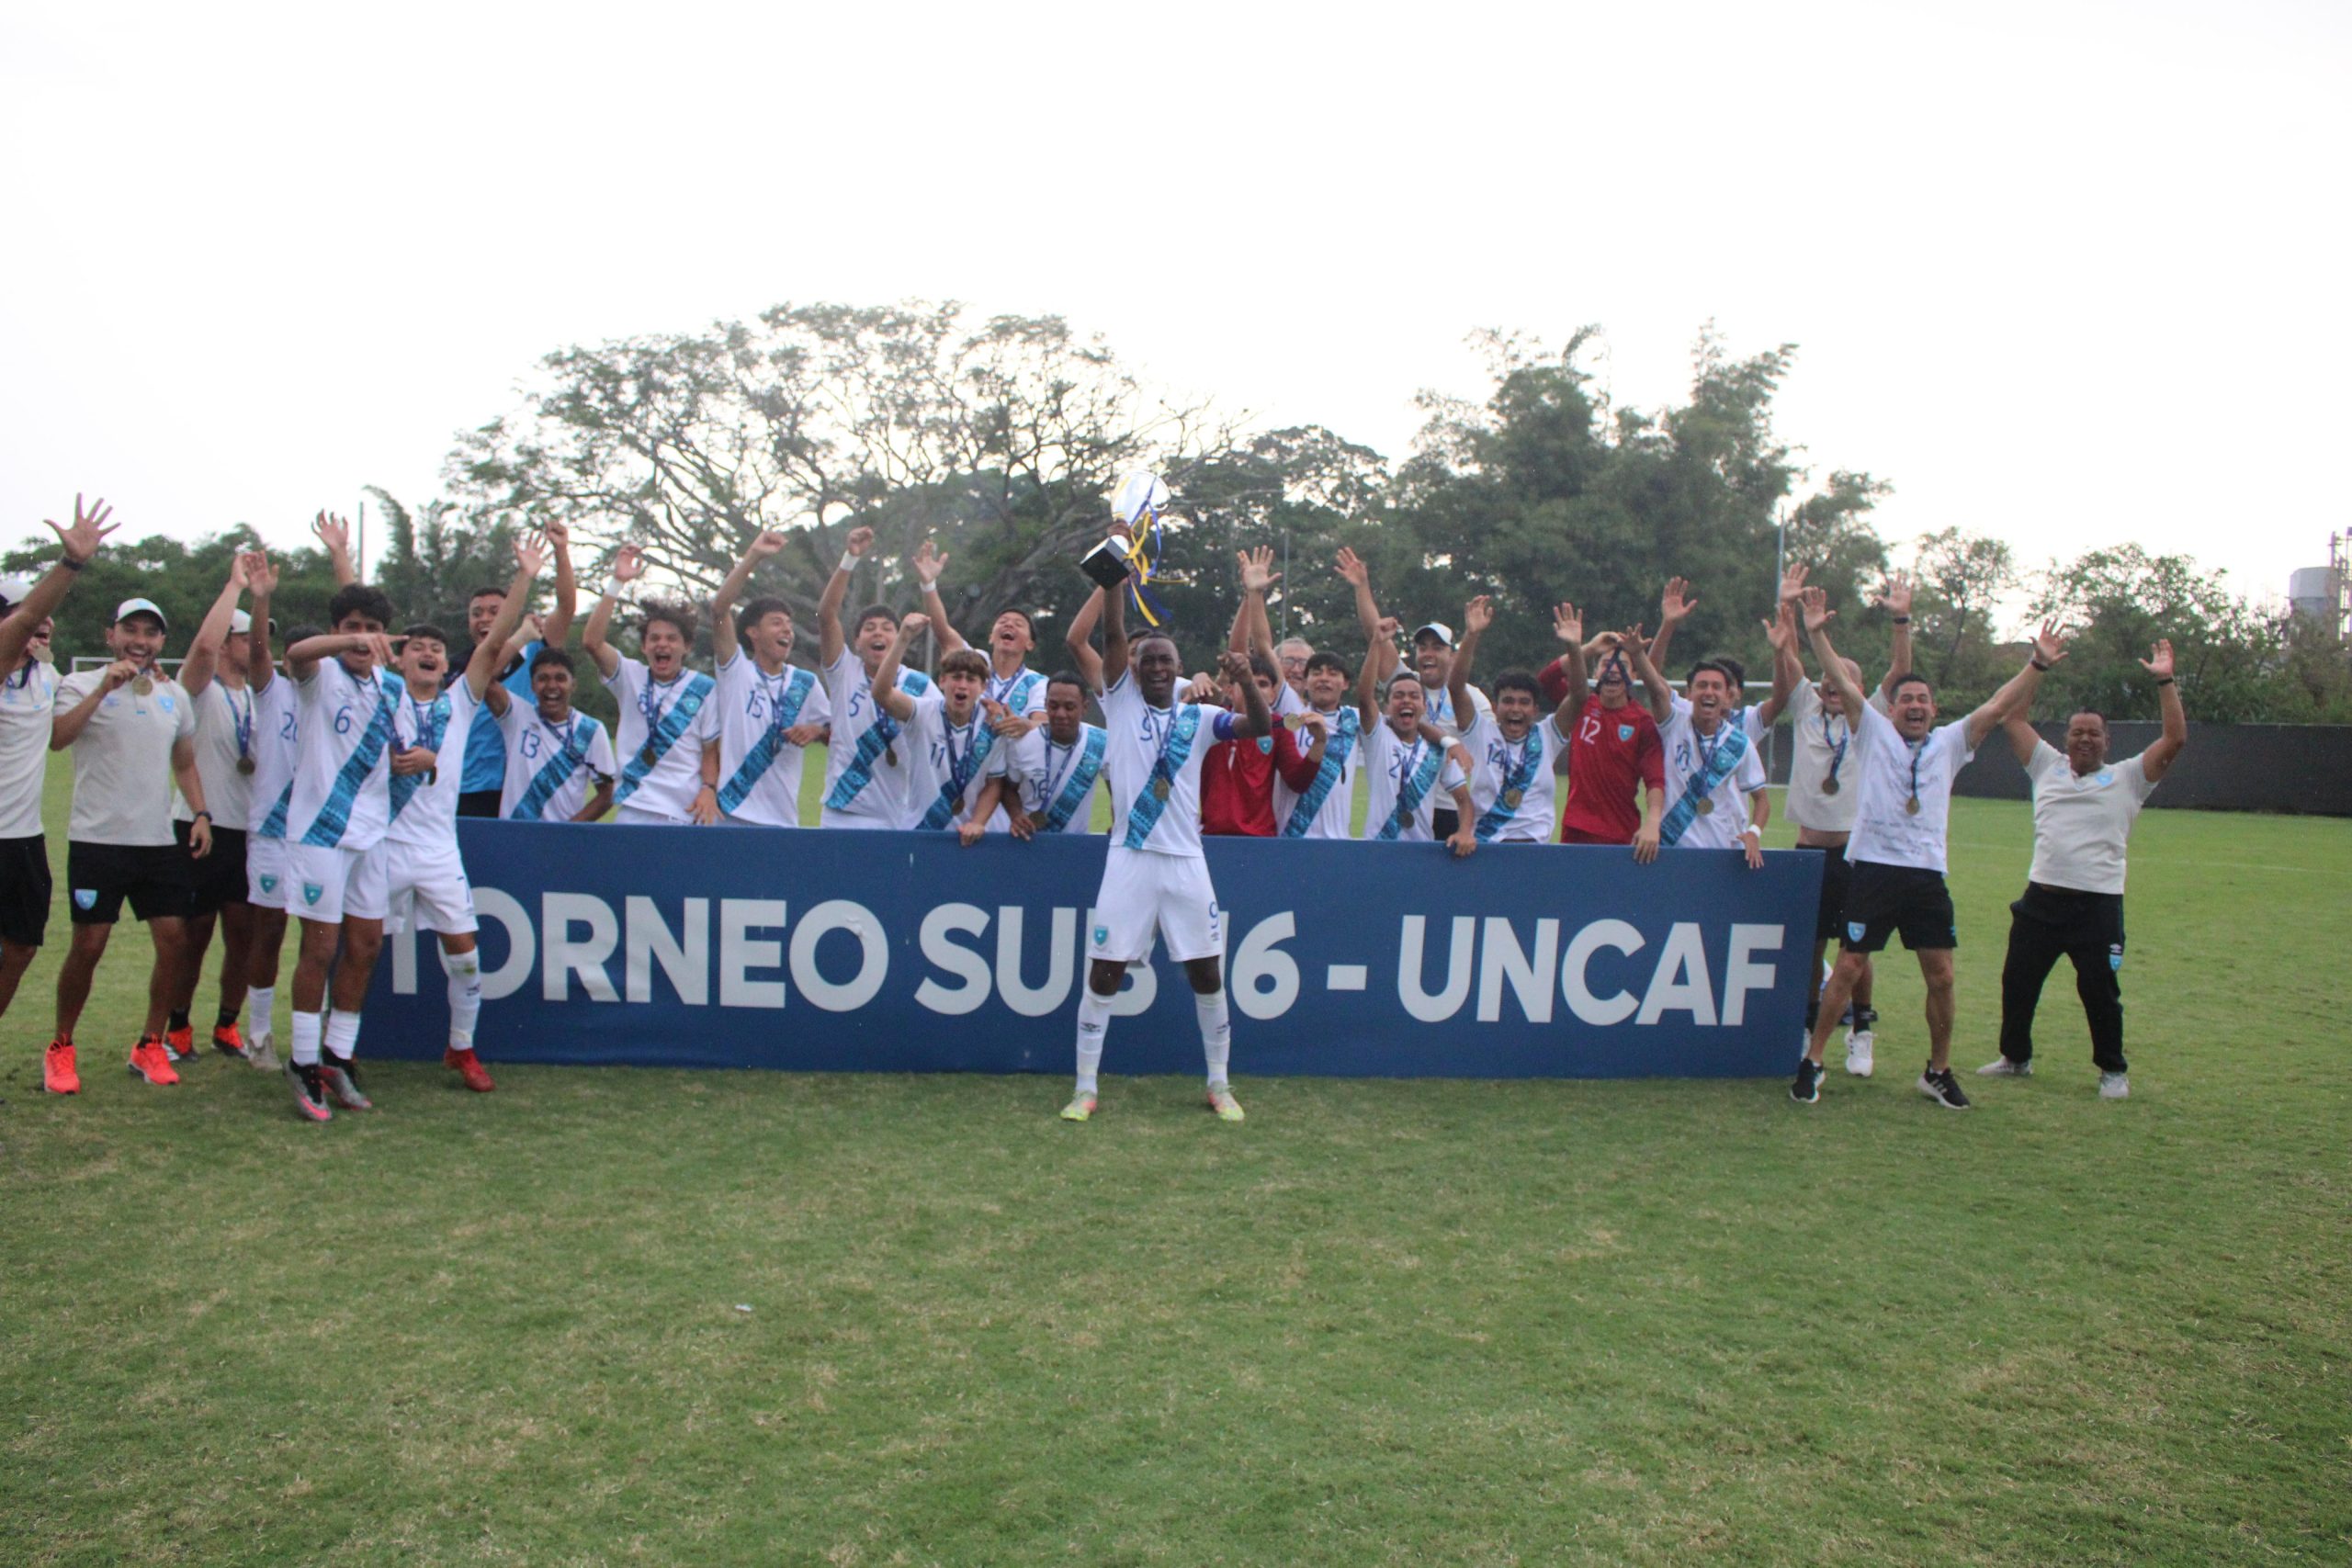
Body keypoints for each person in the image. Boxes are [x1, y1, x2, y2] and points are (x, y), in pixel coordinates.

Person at [1792, 588, 2068, 1109]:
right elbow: (1846, 686)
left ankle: (1937, 1071)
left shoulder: (1950, 742)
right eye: (1906, 700)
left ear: (1933, 710)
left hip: (1924, 874)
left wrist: (2036, 664)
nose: (1914, 707)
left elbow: (1999, 704)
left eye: (1923, 701)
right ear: (1892, 708)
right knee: (1849, 967)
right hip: (1873, 867)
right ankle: (1814, 1061)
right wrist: (1815, 633)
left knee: (1940, 975)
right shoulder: (1871, 731)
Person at [1061, 574, 1272, 1124]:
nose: (1156, 667)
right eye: (1147, 659)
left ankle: (1220, 1084)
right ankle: (1085, 1088)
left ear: (1179, 668)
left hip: (1185, 862)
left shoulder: (1199, 718)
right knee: (1104, 974)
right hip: (1129, 858)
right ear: (1133, 668)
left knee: (1206, 974)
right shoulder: (1121, 703)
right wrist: (1113, 578)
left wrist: (1247, 678)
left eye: (1165, 660)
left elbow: (1261, 725)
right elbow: (1108, 637)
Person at [1975, 640, 2186, 1099]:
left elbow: (2174, 740)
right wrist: (2038, 666)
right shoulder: (2047, 767)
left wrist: (2165, 681)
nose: (2085, 739)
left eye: (2094, 733)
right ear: (2066, 739)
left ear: (2107, 741)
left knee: (2099, 992)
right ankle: (2016, 1058)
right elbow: (2012, 717)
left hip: (2097, 907)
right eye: (2077, 732)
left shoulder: (2129, 778)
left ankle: (2112, 1071)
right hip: (2041, 901)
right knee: (2018, 982)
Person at [381, 536, 550, 1093]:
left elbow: (496, 642)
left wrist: (523, 577)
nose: (428, 652)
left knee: (467, 956)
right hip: (380, 846)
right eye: (417, 646)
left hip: (436, 850)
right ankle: (334, 1051)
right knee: (352, 949)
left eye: (436, 646)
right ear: (399, 658)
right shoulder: (381, 698)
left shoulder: (460, 699)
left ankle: (462, 1048)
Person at [46, 592, 212, 1093]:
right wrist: (101, 689)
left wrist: (200, 812)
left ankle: (149, 1044)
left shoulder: (173, 694)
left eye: (151, 633)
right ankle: (60, 1047)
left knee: (174, 941)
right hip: (97, 839)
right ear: (111, 635)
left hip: (157, 840)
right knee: (90, 944)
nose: (140, 641)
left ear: (162, 640)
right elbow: (58, 739)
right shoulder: (77, 684)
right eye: (131, 631)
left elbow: (183, 762)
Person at [278, 582, 418, 1121]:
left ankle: (337, 1057)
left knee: (365, 947)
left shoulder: (392, 687)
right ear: (336, 630)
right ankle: (302, 1062)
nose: (364, 636)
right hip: (318, 832)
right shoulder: (320, 674)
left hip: (371, 834)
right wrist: (339, 644)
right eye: (352, 626)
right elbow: (296, 654)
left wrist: (419, 759)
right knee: (319, 949)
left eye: (374, 628)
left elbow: (402, 753)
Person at [1777, 570, 1915, 1075]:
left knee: (1855, 947)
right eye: (1828, 682)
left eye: (1843, 682)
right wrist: (1788, 606)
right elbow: (1787, 654)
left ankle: (1861, 1027)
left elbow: (1901, 667)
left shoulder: (1869, 719)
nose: (1832, 687)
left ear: (1857, 690)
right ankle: (1811, 1024)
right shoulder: (1806, 707)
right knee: (1811, 945)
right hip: (1807, 851)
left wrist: (1901, 618)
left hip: (1854, 854)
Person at [0, 496, 117, 1040]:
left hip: (24, 839)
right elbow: (24, 618)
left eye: (47, 615)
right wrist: (71, 564)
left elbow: (55, 741)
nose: (42, 619)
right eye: (27, 613)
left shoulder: (44, 678)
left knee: (22, 946)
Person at [160, 558, 263, 1063]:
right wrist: (235, 586)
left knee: (242, 937)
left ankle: (227, 1024)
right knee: (193, 937)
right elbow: (201, 645)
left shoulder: (262, 696)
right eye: (247, 638)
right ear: (227, 642)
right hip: (200, 826)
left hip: (248, 833)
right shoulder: (198, 689)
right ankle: (177, 1026)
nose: (257, 646)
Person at [584, 545, 721, 826]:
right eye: (655, 638)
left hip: (685, 813)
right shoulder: (630, 677)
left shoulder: (704, 688)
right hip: (635, 810)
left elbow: (710, 751)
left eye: (672, 638)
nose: (663, 644)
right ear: (644, 646)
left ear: (687, 646)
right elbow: (592, 642)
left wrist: (709, 789)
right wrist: (617, 582)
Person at [708, 530, 831, 828]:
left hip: (783, 820)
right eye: (776, 623)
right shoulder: (736, 671)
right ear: (752, 632)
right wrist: (754, 556)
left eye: (789, 625)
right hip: (732, 813)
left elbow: (836, 734)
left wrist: (816, 730)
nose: (787, 630)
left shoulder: (805, 683)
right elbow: (719, 609)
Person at [455, 518, 575, 817]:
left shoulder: (534, 650)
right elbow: (487, 671)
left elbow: (566, 608)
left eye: (495, 612)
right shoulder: (459, 664)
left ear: (511, 612)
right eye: (476, 613)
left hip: (520, 783)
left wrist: (561, 551)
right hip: (468, 786)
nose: (484, 619)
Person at [815, 526, 931, 829]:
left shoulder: (920, 685)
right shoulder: (845, 672)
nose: (878, 632)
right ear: (856, 642)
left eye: (886, 628)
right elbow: (827, 615)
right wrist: (849, 560)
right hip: (843, 811)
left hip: (899, 813)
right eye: (869, 628)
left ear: (901, 635)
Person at [1447, 596, 1579, 844]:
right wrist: (1471, 635)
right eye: (1508, 701)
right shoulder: (1480, 733)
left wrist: (1574, 648)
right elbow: (1455, 687)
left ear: (1535, 709)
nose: (1515, 708)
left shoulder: (1548, 734)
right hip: (1486, 848)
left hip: (1535, 852)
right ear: (1495, 707)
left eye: (1524, 702)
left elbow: (1580, 697)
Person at [868, 617, 1005, 832]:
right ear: (942, 681)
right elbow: (881, 693)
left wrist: (977, 822)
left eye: (971, 679)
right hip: (919, 831)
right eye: (956, 677)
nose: (962, 685)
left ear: (983, 687)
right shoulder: (923, 712)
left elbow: (994, 783)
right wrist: (902, 639)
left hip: (966, 836)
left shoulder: (992, 723)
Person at [1357, 653, 1477, 854]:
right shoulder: (1377, 737)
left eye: (1414, 696)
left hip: (1420, 850)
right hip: (1377, 848)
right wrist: (1376, 643)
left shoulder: (1438, 751)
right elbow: (1364, 698)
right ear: (1387, 707)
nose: (1406, 701)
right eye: (1398, 696)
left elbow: (1465, 801)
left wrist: (1465, 831)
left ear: (1423, 706)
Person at [496, 647, 616, 823]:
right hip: (514, 836)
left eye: (560, 678)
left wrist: (570, 829)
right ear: (532, 685)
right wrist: (522, 636)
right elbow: (486, 678)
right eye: (543, 679)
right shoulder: (517, 715)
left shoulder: (591, 731)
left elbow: (608, 794)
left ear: (573, 684)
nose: (552, 686)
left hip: (561, 842)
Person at [980, 671, 1105, 837]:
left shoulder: (1100, 742)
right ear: (1045, 704)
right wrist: (1016, 815)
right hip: (1029, 842)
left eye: (1069, 707)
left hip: (1076, 845)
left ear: (1085, 707)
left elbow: (1118, 791)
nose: (1061, 714)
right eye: (1053, 706)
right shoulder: (1022, 744)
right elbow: (1008, 788)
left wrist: (1119, 821)